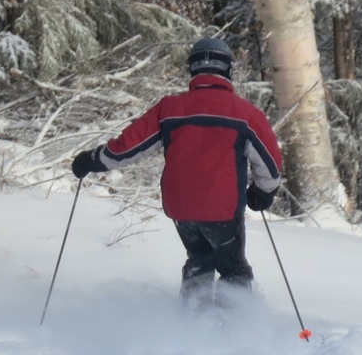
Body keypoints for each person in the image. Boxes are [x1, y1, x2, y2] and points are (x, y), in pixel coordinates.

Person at [72, 37, 283, 305]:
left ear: (192, 69)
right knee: (233, 267)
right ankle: (236, 327)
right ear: (228, 70)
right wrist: (263, 192)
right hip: (223, 209)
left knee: (199, 258)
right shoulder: (244, 113)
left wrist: (93, 160)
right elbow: (270, 162)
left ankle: (192, 323)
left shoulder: (169, 109)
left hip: (181, 207)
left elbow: (126, 149)